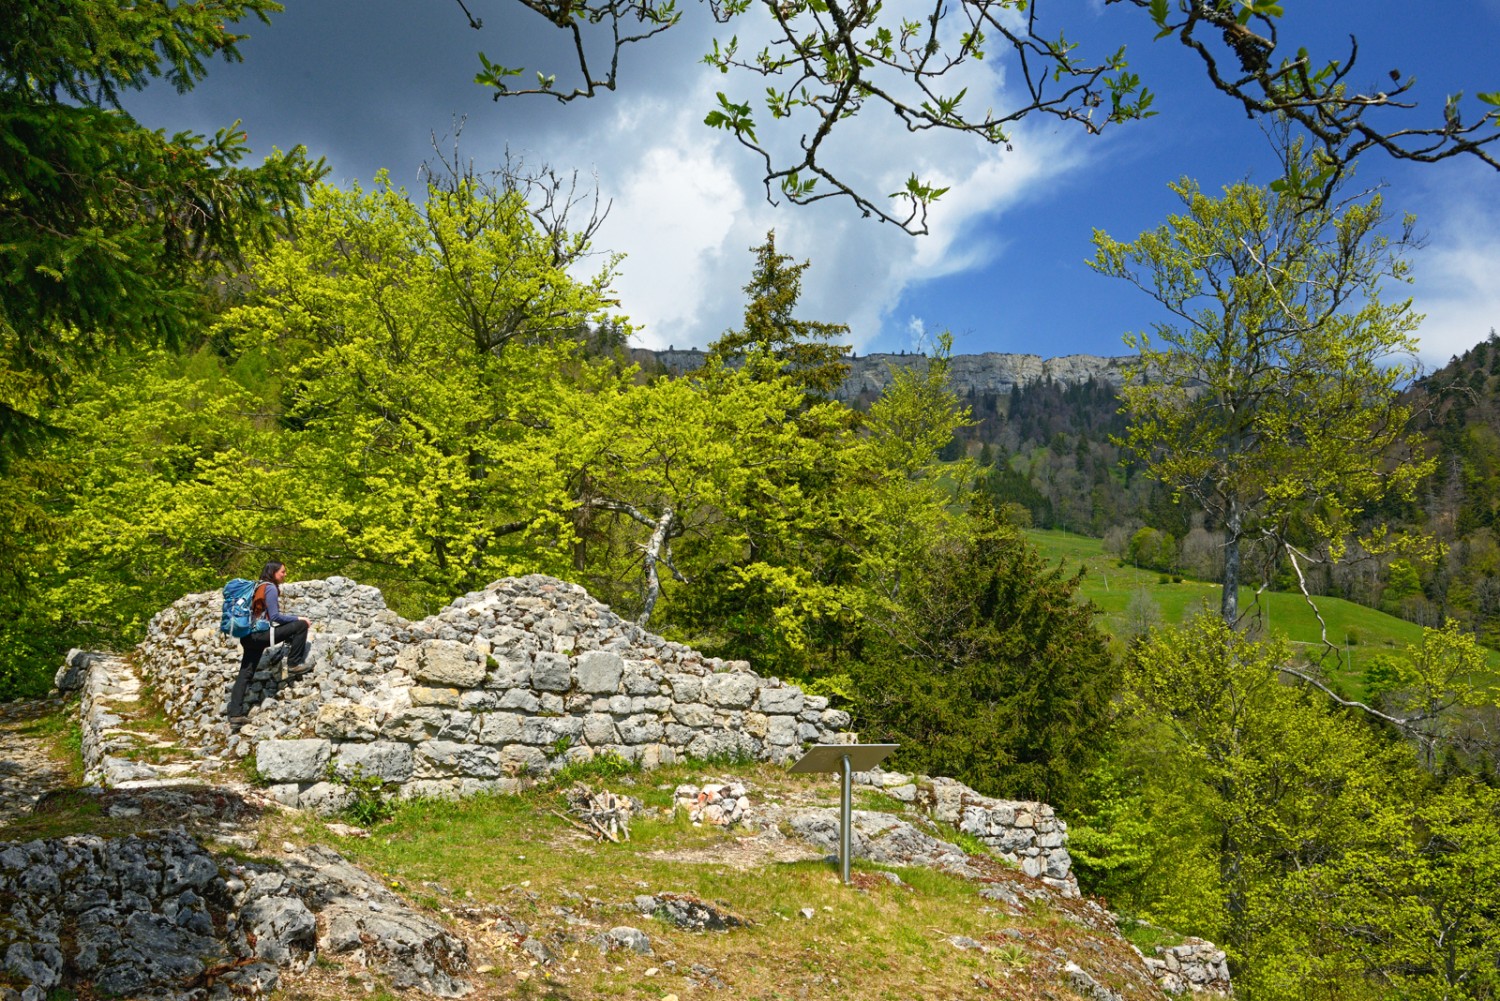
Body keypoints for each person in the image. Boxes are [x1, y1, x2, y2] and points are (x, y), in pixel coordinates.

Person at [226, 561, 313, 727]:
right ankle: (294, 664)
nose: (285, 575)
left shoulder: (258, 586)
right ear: (273, 572)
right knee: (301, 626)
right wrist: (299, 618)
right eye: (282, 572)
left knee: (245, 673)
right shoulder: (271, 588)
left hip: (248, 637)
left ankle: (235, 715)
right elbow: (275, 617)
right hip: (261, 636)